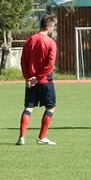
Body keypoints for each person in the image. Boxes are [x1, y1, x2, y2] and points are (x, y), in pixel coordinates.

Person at [17, 14, 58, 146]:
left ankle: (21, 137)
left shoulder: (29, 40)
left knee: (28, 108)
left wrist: (28, 78)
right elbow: (50, 64)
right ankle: (41, 137)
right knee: (50, 108)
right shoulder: (51, 42)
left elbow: (23, 61)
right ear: (50, 27)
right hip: (45, 81)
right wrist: (38, 78)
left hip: (30, 81)